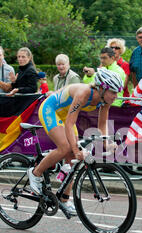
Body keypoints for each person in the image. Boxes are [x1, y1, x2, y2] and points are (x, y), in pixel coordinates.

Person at [26, 69, 123, 213]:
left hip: (66, 116)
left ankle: (64, 199)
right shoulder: (84, 93)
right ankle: (35, 173)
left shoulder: (105, 100)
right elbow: (70, 124)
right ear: (102, 88)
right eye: (113, 92)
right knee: (66, 147)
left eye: (117, 92)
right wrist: (76, 150)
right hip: (51, 110)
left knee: (72, 158)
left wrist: (106, 143)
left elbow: (102, 125)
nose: (116, 96)